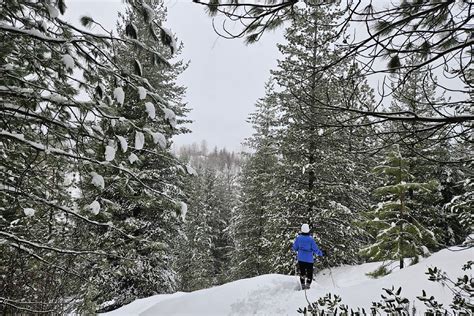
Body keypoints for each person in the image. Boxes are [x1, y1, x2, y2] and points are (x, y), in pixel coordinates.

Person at [292, 223, 323, 290]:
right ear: (308, 230)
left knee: (302, 272)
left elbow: (294, 248)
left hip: (301, 259)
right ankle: (308, 285)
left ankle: (303, 285)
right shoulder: (311, 239)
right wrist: (321, 253)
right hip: (309, 260)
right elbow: (315, 249)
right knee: (309, 273)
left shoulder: (298, 238)